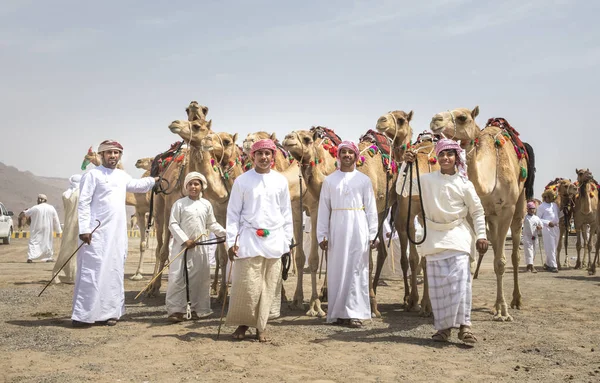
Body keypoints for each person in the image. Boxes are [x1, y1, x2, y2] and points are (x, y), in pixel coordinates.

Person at [403, 138, 488, 346]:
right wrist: (406, 165)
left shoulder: (465, 184)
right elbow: (403, 189)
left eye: (450, 154)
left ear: (456, 157)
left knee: (460, 283)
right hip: (434, 237)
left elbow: (477, 211)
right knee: (438, 286)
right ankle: (443, 328)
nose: (445, 158)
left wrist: (482, 235)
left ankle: (465, 327)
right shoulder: (426, 180)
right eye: (442, 154)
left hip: (458, 236)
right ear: (437, 157)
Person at [72, 140, 157, 328]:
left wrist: (154, 179)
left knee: (114, 271)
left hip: (117, 233)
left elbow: (137, 185)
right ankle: (83, 314)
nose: (113, 156)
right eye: (109, 153)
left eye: (116, 153)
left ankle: (110, 313)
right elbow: (84, 203)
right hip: (96, 232)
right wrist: (85, 229)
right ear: (101, 155)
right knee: (92, 271)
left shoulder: (121, 175)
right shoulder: (92, 175)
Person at [225, 139, 293, 342]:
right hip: (248, 239)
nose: (264, 157)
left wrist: (287, 240)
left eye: (268, 153)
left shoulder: (280, 181)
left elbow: (286, 213)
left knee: (269, 286)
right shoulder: (242, 181)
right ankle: (243, 324)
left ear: (273, 157)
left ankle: (261, 327)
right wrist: (231, 242)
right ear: (252, 156)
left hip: (274, 240)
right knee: (247, 285)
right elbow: (232, 214)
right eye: (260, 153)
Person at [316, 140, 378, 328]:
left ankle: (355, 313)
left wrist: (373, 233)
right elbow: (323, 210)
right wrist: (322, 235)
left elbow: (371, 209)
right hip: (337, 227)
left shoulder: (364, 180)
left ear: (356, 156)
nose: (347, 155)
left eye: (350, 152)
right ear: (339, 155)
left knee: (356, 269)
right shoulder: (329, 180)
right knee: (337, 270)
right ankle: (339, 312)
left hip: (358, 227)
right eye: (343, 152)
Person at [166, 171, 226, 322]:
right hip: (182, 248)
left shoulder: (206, 204)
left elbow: (211, 223)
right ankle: (176, 311)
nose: (193, 187)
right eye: (191, 184)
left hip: (200, 248)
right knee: (178, 278)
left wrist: (225, 233)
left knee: (200, 278)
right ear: (186, 186)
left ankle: (199, 310)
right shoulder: (179, 204)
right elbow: (172, 224)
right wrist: (185, 240)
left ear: (202, 186)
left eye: (196, 184)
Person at [53, 174, 82, 283]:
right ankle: (74, 276)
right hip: (80, 224)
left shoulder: (66, 194)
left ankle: (64, 274)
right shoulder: (83, 193)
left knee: (67, 249)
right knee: (77, 250)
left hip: (69, 224)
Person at [25, 194, 62, 263]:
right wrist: (58, 231)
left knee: (34, 241)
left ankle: (31, 257)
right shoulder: (51, 208)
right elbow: (56, 220)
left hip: (36, 228)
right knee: (47, 241)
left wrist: (26, 211)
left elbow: (26, 214)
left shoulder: (35, 208)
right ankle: (48, 257)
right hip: (47, 228)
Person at [537, 190, 560, 273]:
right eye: (550, 197)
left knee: (554, 247)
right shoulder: (541, 207)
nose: (552, 199)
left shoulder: (554, 205)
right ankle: (554, 266)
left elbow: (558, 215)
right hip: (547, 228)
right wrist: (547, 222)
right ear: (545, 197)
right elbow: (538, 219)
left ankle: (547, 264)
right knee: (550, 247)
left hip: (556, 228)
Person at [523, 201, 543, 273]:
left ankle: (528, 266)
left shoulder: (537, 218)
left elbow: (541, 225)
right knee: (529, 252)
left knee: (534, 252)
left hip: (535, 237)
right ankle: (532, 267)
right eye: (531, 208)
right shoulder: (525, 217)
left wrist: (539, 227)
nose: (532, 210)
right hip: (527, 237)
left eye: (533, 209)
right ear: (528, 209)